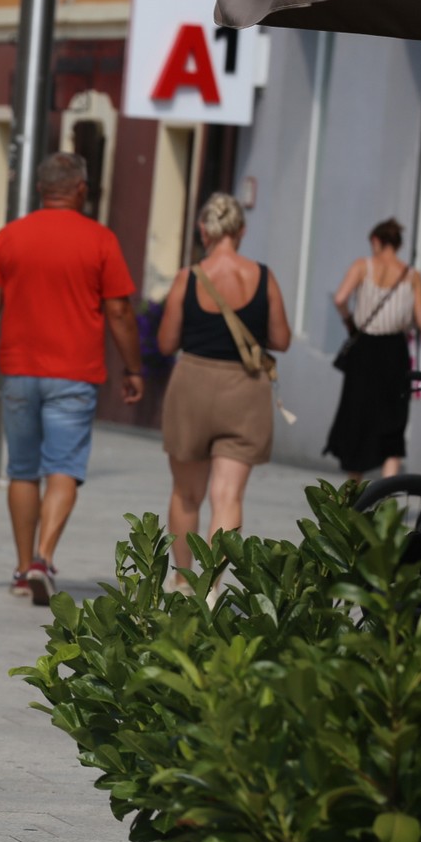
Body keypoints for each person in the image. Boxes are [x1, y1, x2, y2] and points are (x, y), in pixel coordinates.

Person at [0, 153, 144, 605]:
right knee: (63, 468)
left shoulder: (10, 236)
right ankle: (44, 557)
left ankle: (23, 570)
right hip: (75, 374)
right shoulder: (101, 240)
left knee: (22, 470)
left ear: (41, 190)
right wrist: (133, 367)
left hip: (19, 370)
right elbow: (120, 311)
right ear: (81, 189)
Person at [156, 193, 291, 589]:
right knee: (228, 496)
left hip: (192, 386)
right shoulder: (263, 277)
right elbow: (281, 339)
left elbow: (166, 343)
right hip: (244, 390)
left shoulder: (188, 278)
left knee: (186, 494)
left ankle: (183, 583)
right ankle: (211, 588)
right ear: (241, 230)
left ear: (204, 230)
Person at [324, 218, 421, 479]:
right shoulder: (412, 276)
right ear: (397, 244)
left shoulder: (363, 266)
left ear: (376, 241)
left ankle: (354, 491)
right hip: (394, 351)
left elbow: (340, 298)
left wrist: (349, 321)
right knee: (393, 420)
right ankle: (387, 491)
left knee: (357, 417)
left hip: (364, 349)